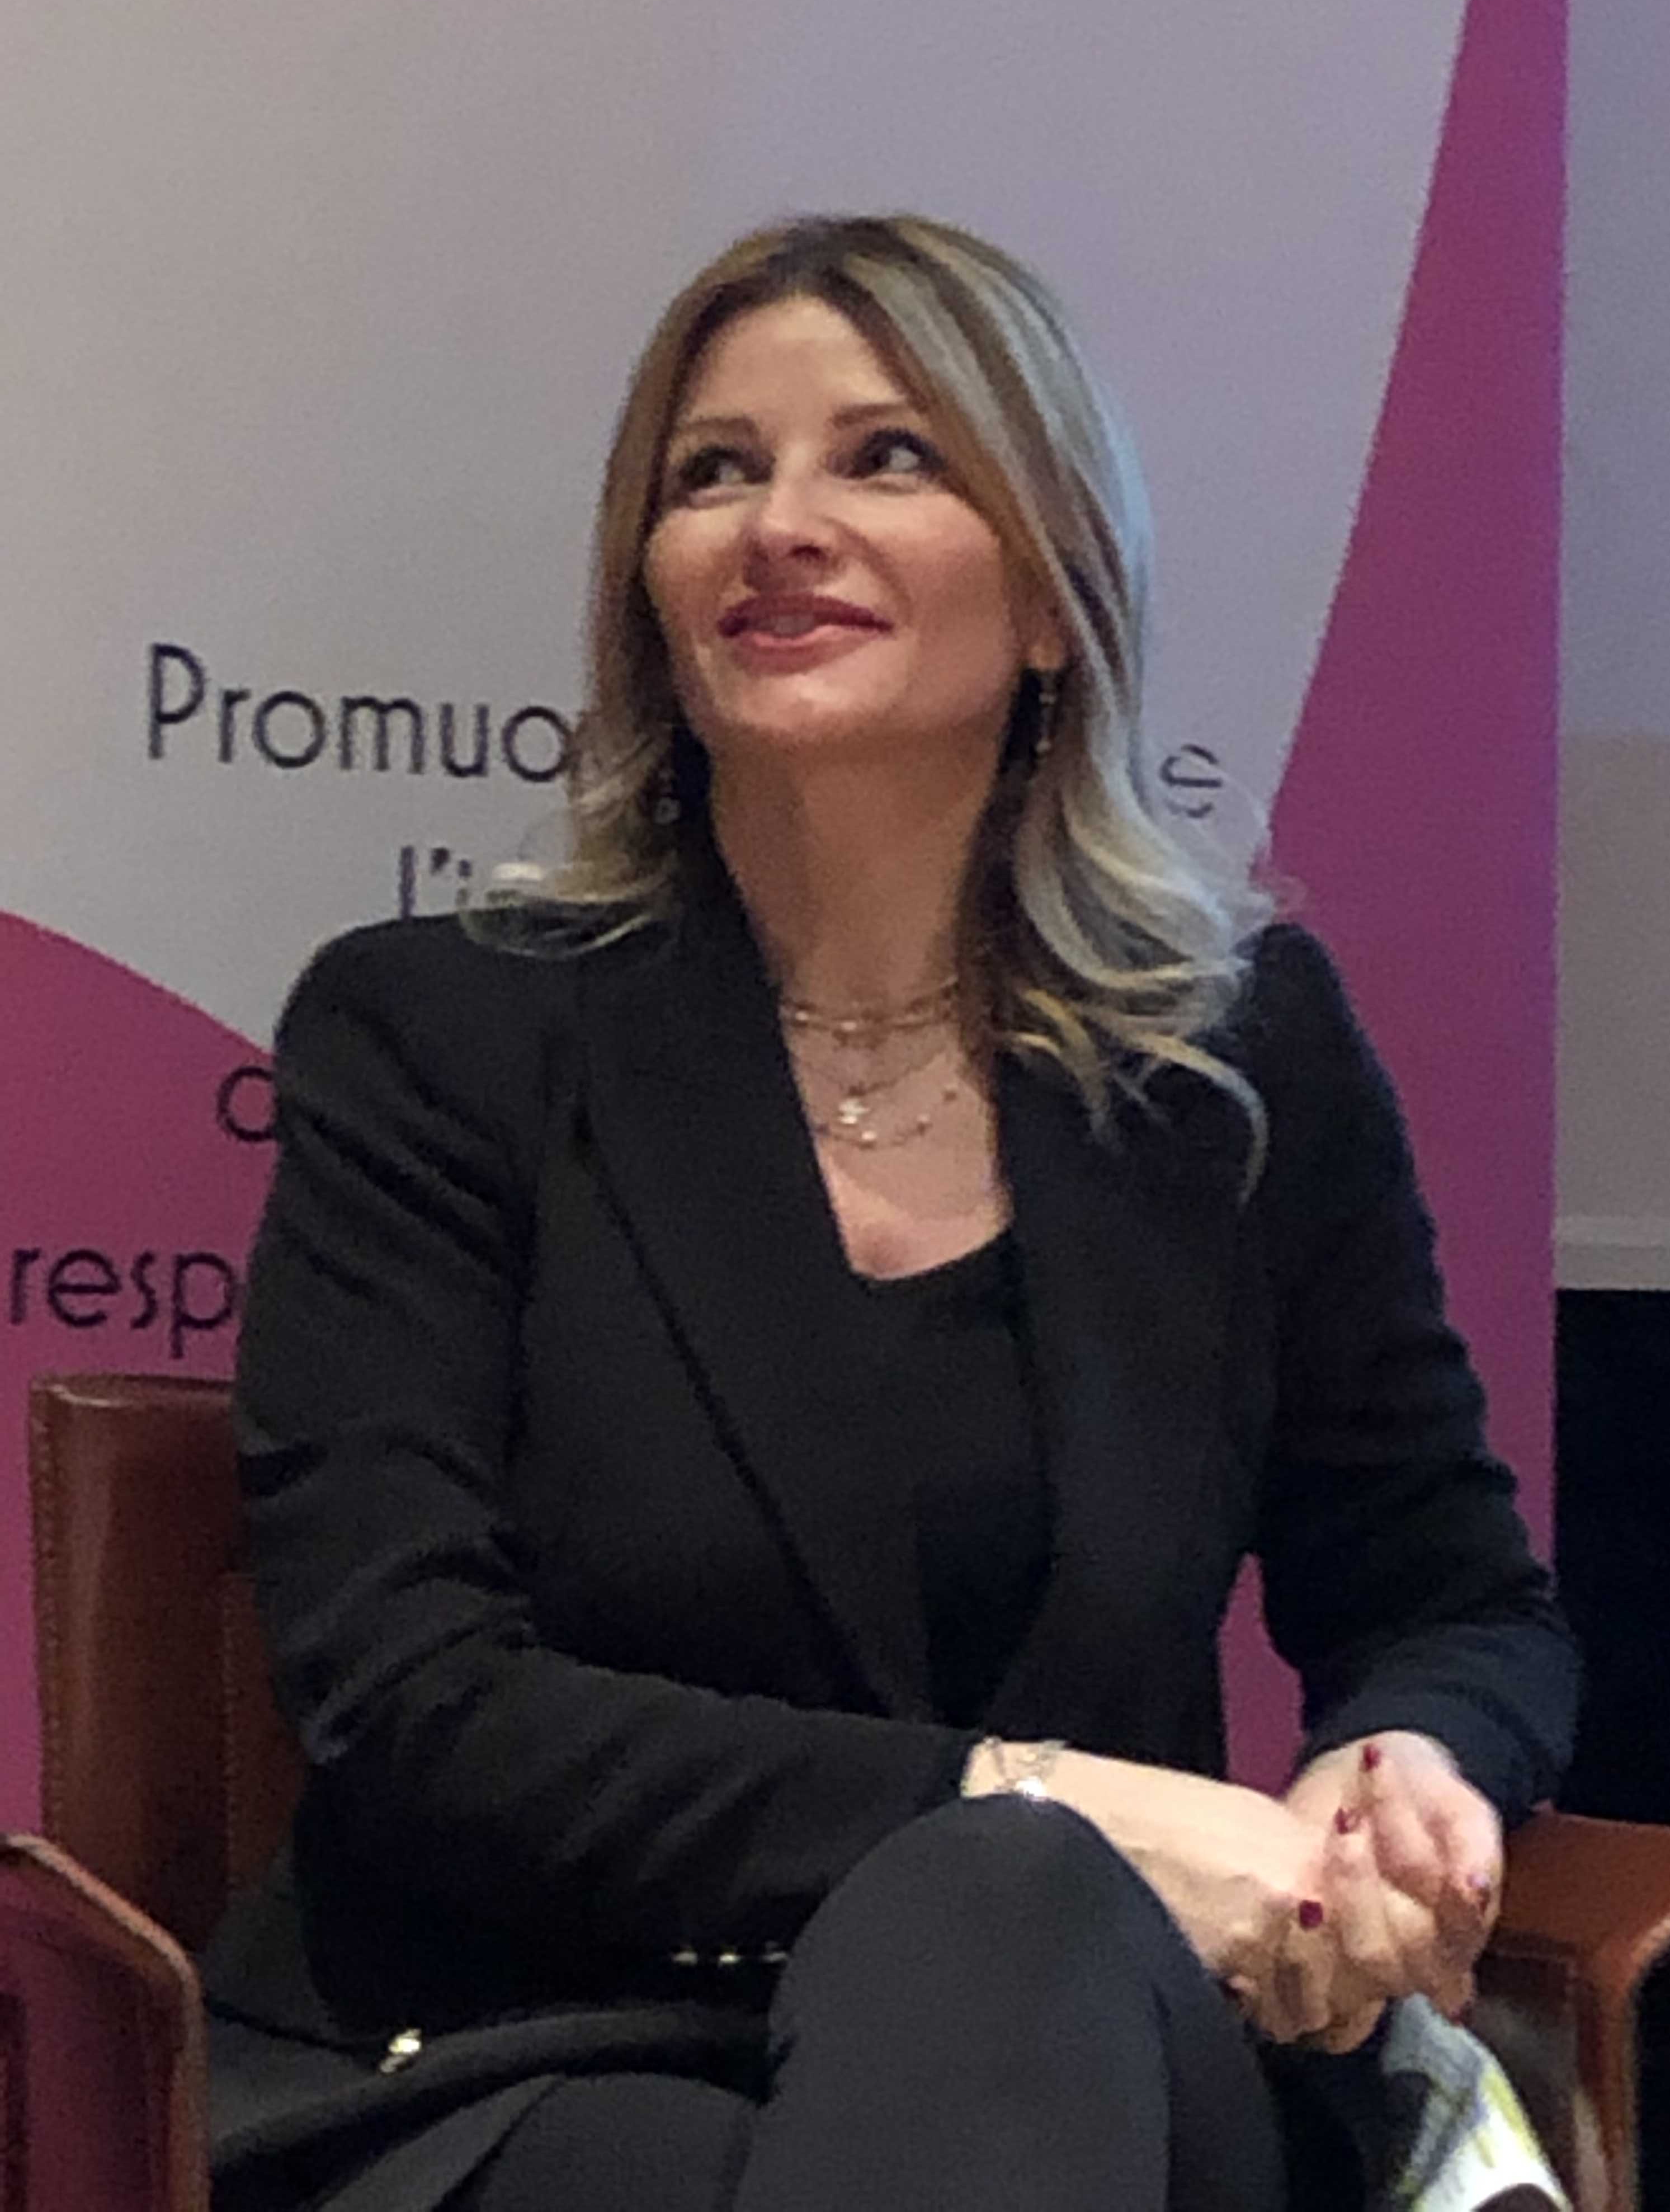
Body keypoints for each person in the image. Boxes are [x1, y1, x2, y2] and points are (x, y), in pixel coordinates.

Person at [201, 213, 1578, 2211]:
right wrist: (1033, 1801)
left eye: (889, 454)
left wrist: (1411, 1770)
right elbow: (411, 1699)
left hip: (1098, 2030)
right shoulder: (443, 1034)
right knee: (983, 1915)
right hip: (542, 2040)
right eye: (714, 472)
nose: (781, 524)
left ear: (1054, 595)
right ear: (651, 595)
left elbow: (1448, 1600)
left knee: (1007, 1925)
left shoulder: (1236, 1061)